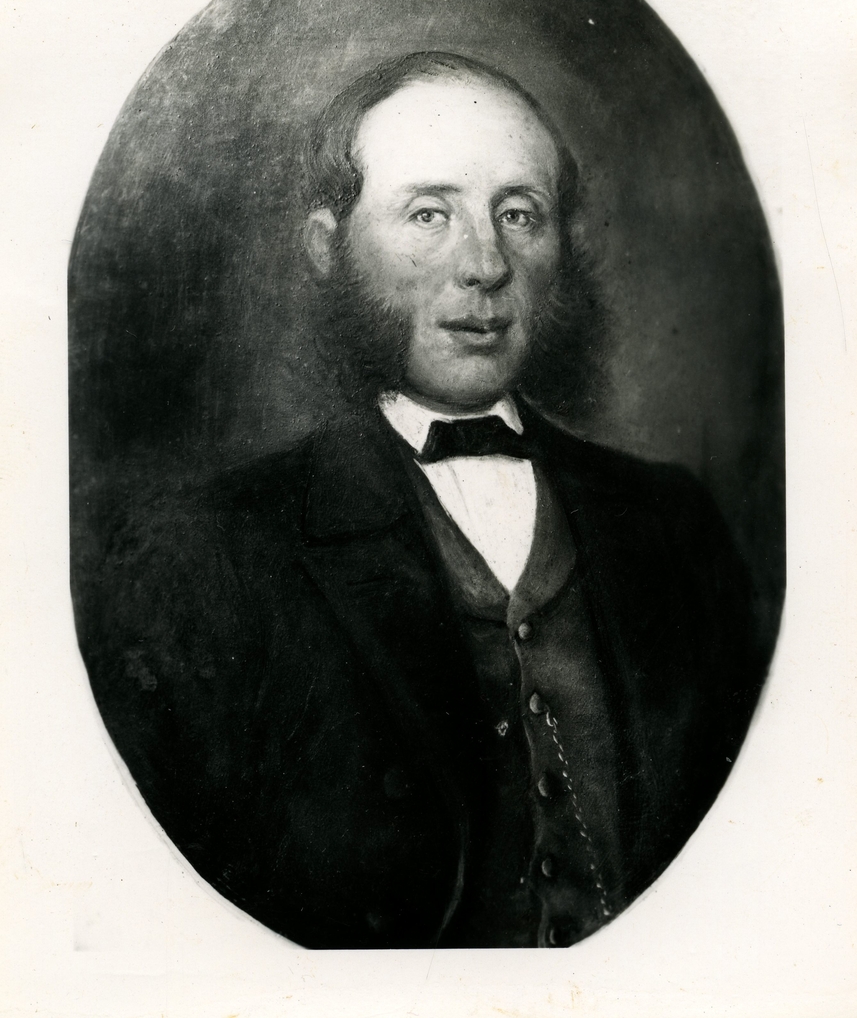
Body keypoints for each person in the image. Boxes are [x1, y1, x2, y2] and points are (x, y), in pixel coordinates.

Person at [82, 52, 767, 949]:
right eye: (428, 215)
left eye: (518, 214)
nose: (484, 265)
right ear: (327, 247)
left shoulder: (671, 524)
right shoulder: (210, 550)